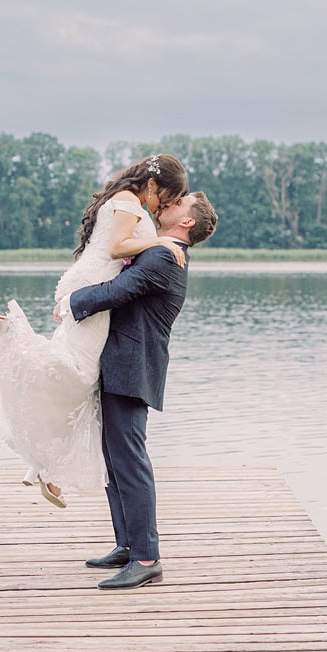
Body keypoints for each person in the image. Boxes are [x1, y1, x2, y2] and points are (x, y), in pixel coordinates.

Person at [0, 155, 189, 508]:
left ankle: (43, 468)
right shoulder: (130, 203)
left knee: (75, 375)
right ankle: (12, 331)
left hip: (86, 287)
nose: (163, 204)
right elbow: (117, 248)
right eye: (164, 196)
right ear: (151, 185)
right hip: (92, 290)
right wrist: (161, 243)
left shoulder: (125, 200)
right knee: (79, 375)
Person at [57, 191, 217, 589]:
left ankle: (147, 557)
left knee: (130, 461)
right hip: (119, 364)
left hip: (132, 367)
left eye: (182, 201)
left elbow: (120, 290)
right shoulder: (160, 247)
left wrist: (71, 301)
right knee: (115, 459)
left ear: (188, 222)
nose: (172, 201)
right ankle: (127, 544)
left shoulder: (165, 256)